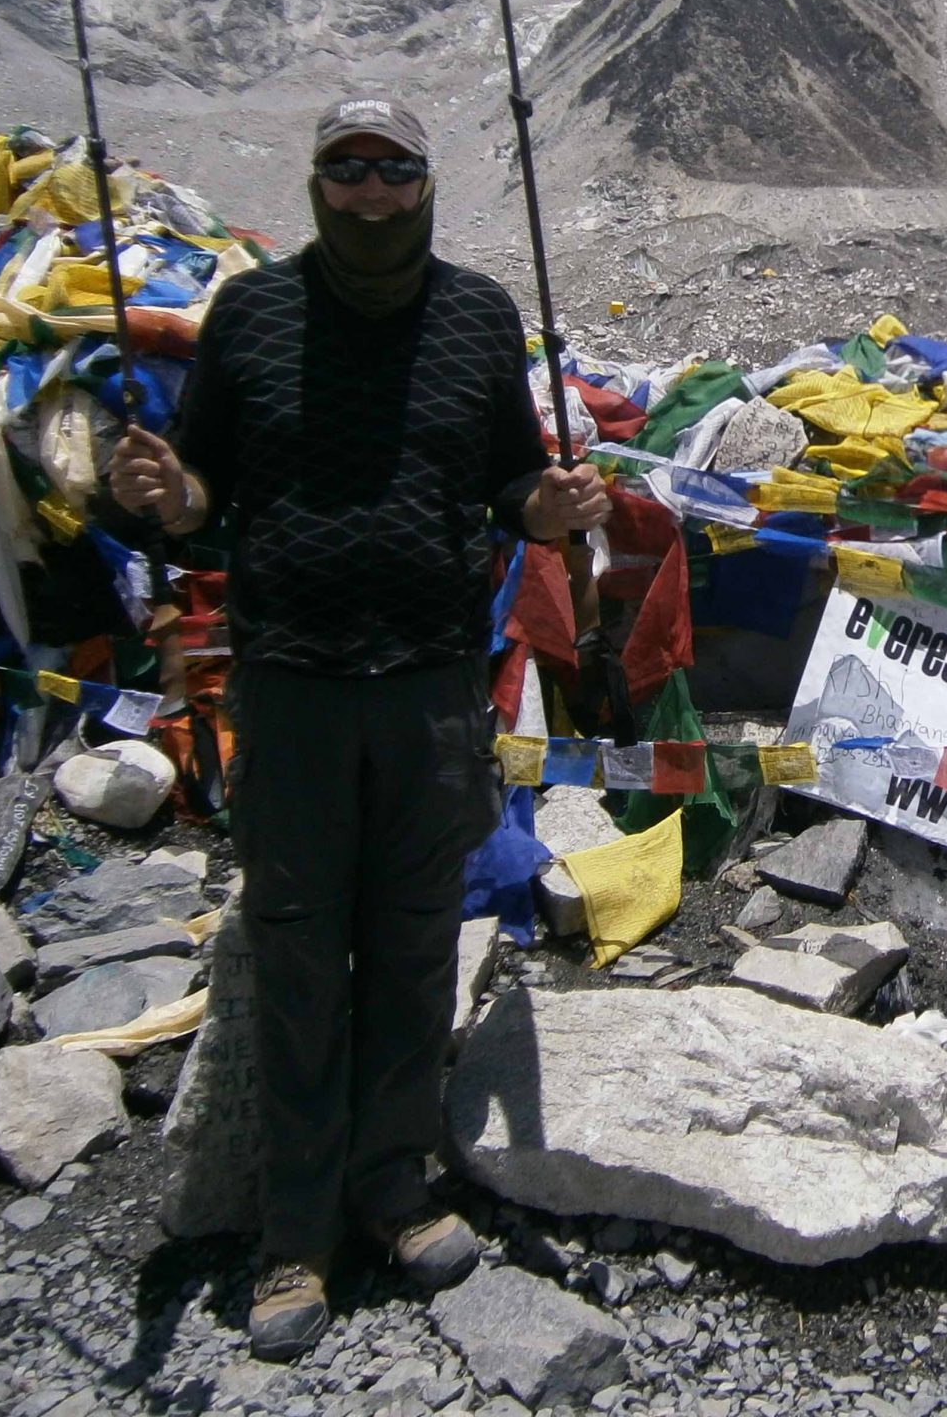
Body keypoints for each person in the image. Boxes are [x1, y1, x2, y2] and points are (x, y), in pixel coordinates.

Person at [108, 96, 609, 1361]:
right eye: (348, 169)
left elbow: (504, 475)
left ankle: (395, 1192)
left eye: (394, 170)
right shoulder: (254, 315)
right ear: (316, 182)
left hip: (434, 684)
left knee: (407, 942)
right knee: (293, 949)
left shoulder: (479, 316)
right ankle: (292, 1237)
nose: (372, 192)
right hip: (291, 681)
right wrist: (171, 495)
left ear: (426, 182)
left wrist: (542, 503)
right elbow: (205, 484)